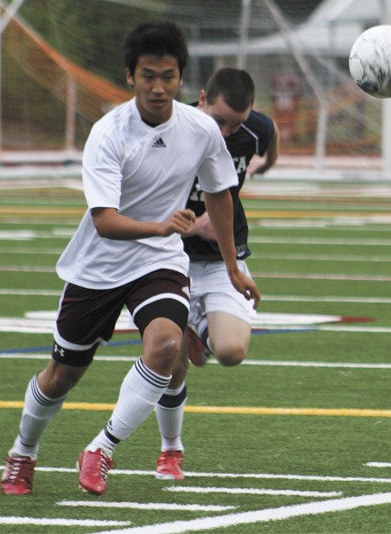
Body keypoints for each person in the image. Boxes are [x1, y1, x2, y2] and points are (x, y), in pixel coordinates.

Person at [0, 22, 260, 497]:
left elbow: (222, 194)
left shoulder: (201, 129)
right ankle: (23, 452)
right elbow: (104, 221)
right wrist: (162, 226)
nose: (158, 87)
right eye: (147, 76)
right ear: (129, 77)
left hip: (158, 261)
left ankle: (102, 447)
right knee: (61, 377)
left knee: (166, 348)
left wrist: (231, 267)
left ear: (181, 77)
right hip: (100, 264)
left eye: (167, 75)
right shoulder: (108, 133)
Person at [155, 67, 278, 480]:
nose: (226, 133)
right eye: (219, 120)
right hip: (171, 256)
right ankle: (171, 450)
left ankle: (199, 327)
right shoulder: (171, 132)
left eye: (236, 124)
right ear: (202, 99)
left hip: (226, 252)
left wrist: (266, 164)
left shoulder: (253, 129)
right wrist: (190, 224)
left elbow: (268, 134)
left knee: (231, 352)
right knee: (169, 359)